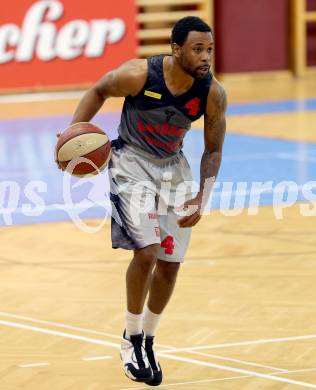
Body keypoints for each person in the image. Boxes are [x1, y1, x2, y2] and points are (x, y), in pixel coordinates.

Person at [68, 16, 226, 386]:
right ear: (175, 49)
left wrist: (203, 197)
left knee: (170, 266)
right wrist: (75, 132)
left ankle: (148, 340)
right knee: (148, 251)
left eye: (210, 49)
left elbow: (213, 150)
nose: (205, 57)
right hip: (131, 162)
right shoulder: (139, 74)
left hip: (174, 168)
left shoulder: (212, 92)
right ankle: (131, 337)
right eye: (197, 49)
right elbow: (98, 90)